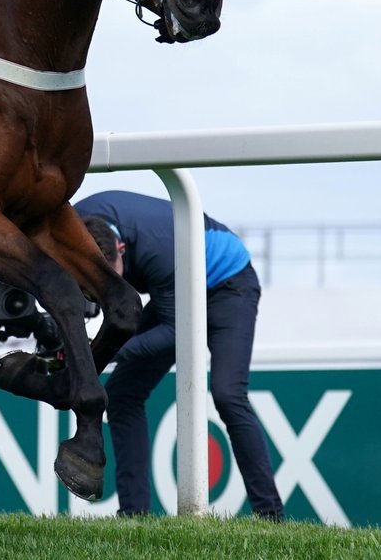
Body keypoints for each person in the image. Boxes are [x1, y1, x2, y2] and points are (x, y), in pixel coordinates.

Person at [74, 189, 285, 521]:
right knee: (122, 395)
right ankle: (133, 517)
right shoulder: (69, 229)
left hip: (227, 286)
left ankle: (270, 515)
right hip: (173, 286)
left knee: (229, 395)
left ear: (121, 249)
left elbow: (179, 331)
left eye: (110, 276)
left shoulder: (157, 251)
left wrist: (105, 350)